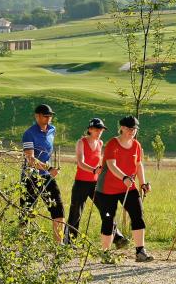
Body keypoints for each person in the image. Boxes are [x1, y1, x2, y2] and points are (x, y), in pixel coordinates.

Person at [95, 115, 153, 263]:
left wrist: (143, 183)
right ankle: (105, 254)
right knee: (108, 220)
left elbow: (139, 165)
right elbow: (112, 165)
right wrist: (124, 178)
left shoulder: (136, 145)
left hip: (129, 187)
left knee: (138, 216)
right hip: (107, 190)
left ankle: (140, 252)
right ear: (121, 127)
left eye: (134, 129)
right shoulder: (112, 144)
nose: (132, 131)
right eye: (128, 128)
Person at [63, 118, 128, 248]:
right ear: (90, 129)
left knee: (106, 210)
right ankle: (69, 241)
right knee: (76, 212)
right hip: (81, 183)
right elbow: (80, 163)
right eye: (97, 129)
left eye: (101, 130)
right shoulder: (81, 142)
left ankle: (117, 237)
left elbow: (99, 163)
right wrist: (93, 170)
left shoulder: (100, 143)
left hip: (95, 184)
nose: (99, 132)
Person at [20, 104, 65, 243]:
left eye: (50, 115)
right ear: (37, 116)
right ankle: (23, 245)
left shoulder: (52, 129)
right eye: (46, 116)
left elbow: (47, 151)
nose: (49, 118)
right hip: (31, 177)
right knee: (27, 211)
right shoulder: (29, 133)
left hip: (47, 177)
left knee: (58, 209)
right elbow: (30, 159)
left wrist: (50, 168)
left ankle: (59, 244)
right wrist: (49, 168)